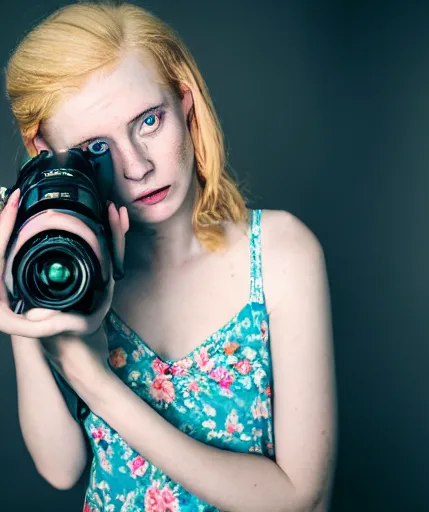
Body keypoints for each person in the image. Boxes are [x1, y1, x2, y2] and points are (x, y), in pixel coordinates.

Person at [0, 2, 337, 511]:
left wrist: (93, 378)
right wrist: (18, 273)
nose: (137, 166)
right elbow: (61, 468)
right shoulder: (67, 271)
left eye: (150, 121)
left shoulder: (282, 253)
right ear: (45, 151)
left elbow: (301, 501)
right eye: (96, 148)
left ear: (186, 104)